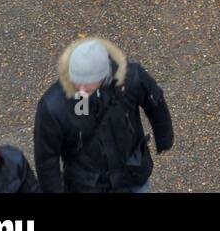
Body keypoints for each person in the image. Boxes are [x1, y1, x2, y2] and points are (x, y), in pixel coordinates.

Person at [33, 37, 173, 193]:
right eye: (76, 81)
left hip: (132, 175)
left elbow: (155, 102)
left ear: (103, 75)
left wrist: (164, 138)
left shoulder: (130, 78)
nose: (81, 88)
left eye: (88, 83)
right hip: (87, 185)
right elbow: (46, 160)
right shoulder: (54, 106)